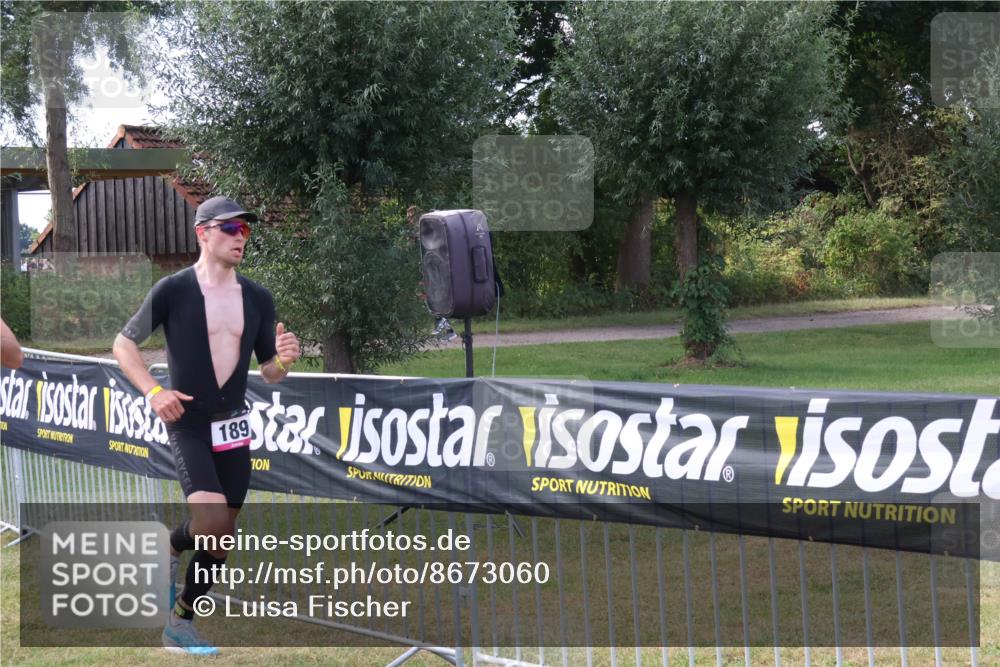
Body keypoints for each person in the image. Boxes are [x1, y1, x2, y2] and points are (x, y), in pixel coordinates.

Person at [113, 196, 301, 655]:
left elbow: (269, 372)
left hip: (233, 425)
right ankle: (169, 554)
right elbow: (123, 344)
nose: (241, 237)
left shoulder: (258, 297)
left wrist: (284, 360)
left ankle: (180, 620)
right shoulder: (173, 289)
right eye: (231, 228)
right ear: (203, 233)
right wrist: (154, 392)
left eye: (245, 230)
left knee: (221, 537)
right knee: (213, 522)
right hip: (189, 423)